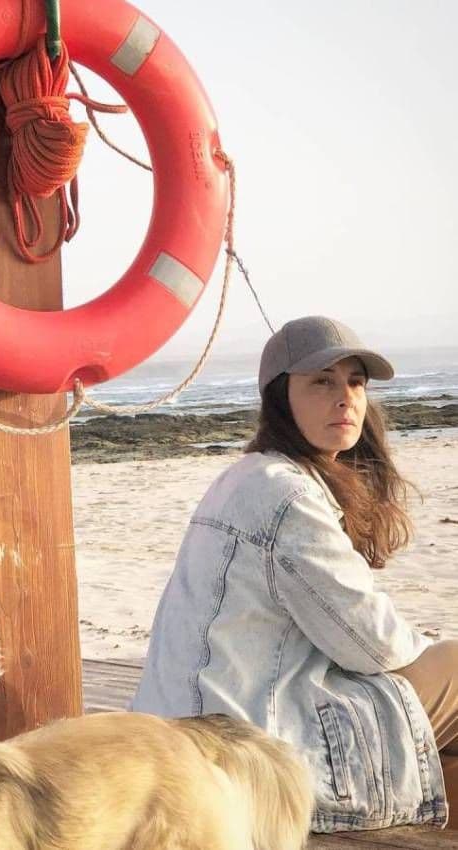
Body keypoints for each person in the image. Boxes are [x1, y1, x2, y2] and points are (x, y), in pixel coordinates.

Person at [131, 315, 458, 833]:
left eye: (355, 382)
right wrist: (433, 649)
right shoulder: (286, 496)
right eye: (321, 382)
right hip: (247, 760)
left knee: (435, 744)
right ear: (281, 397)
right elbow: (375, 645)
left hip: (187, 739)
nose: (345, 397)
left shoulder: (245, 476)